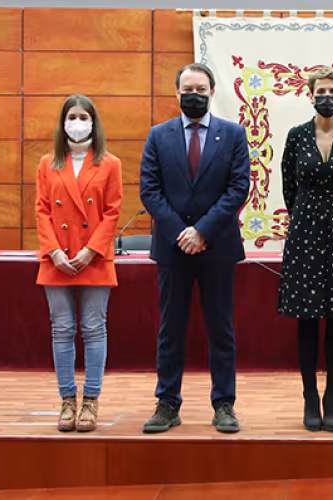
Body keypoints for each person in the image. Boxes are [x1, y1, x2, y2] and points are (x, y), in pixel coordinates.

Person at [139, 63, 250, 434]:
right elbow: (150, 191)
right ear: (176, 93)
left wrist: (201, 231)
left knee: (221, 329)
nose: (194, 94)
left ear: (212, 91)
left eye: (201, 88)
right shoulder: (158, 135)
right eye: (187, 88)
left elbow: (238, 188)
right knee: (171, 329)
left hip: (217, 246)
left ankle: (224, 405)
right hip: (173, 249)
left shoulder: (233, 135)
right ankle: (167, 403)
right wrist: (181, 232)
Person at [278, 66, 333, 433]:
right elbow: (288, 186)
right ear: (310, 94)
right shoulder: (297, 136)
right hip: (305, 232)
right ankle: (309, 397)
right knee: (307, 317)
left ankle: (332, 396)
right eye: (321, 91)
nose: (327, 96)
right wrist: (307, 215)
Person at [34, 95, 123, 433]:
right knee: (61, 330)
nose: (77, 122)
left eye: (84, 116)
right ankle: (67, 400)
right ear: (63, 122)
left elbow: (113, 210)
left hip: (94, 258)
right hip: (56, 257)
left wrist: (91, 250)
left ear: (94, 122)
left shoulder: (109, 163)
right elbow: (42, 209)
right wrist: (54, 250)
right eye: (72, 116)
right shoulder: (47, 163)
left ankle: (91, 401)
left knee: (93, 328)